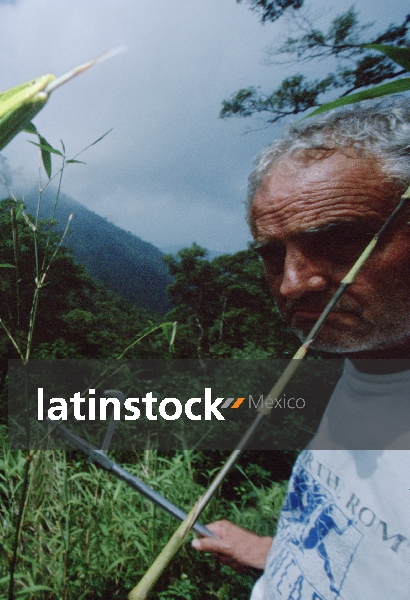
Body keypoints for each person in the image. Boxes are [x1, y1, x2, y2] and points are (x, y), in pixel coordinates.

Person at [192, 98, 410, 598]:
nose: (292, 284)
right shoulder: (367, 365)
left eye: (338, 241)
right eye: (272, 254)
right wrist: (275, 551)